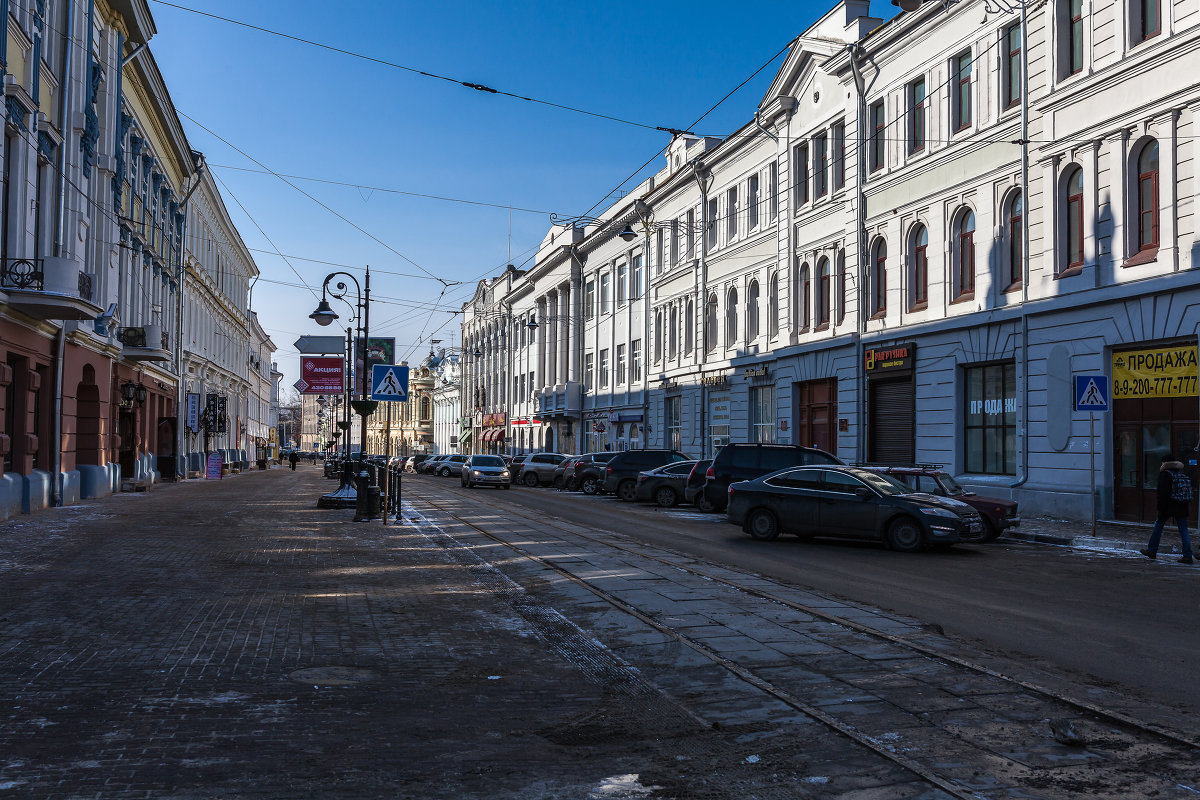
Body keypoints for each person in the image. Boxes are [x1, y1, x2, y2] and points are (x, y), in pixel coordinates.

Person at [1141, 453, 1194, 564]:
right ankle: (1188, 555)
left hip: (1168, 506)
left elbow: (1162, 494)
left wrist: (1160, 509)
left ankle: (1152, 550)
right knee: (1184, 530)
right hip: (1181, 506)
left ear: (1164, 463)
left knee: (1158, 527)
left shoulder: (1165, 474)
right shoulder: (1180, 472)